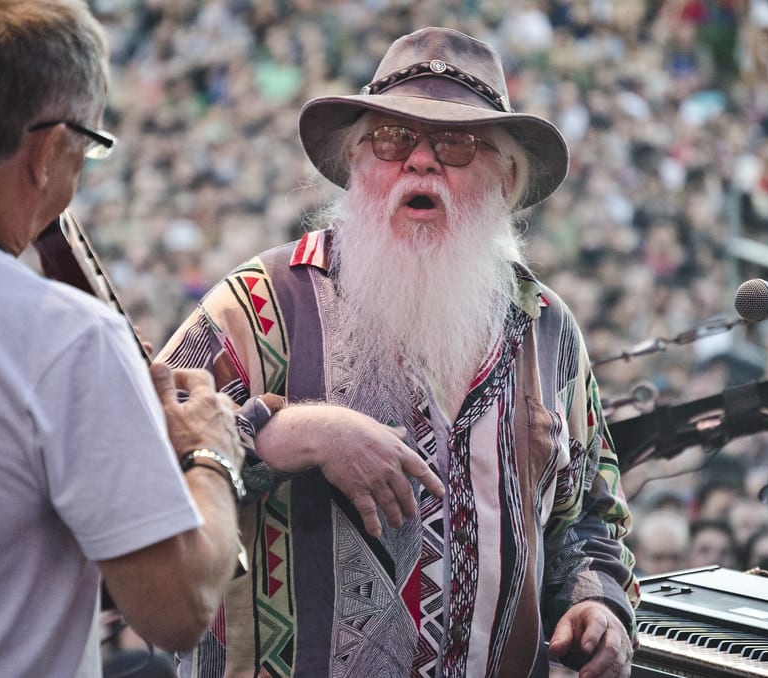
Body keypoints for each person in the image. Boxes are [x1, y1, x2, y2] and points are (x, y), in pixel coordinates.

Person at [159, 27, 638, 678]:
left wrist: (598, 604)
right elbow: (144, 451)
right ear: (357, 162)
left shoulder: (547, 331)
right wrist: (287, 434)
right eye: (391, 138)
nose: (419, 161)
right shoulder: (260, 304)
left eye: (456, 143)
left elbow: (590, 516)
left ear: (506, 179)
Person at [0, 2, 246, 676]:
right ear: (49, 149)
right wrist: (211, 451)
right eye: (85, 149)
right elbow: (177, 606)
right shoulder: (68, 340)